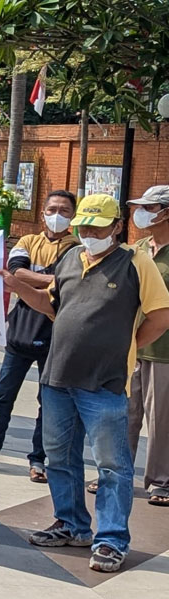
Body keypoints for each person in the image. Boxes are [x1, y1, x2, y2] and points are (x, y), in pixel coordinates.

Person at [3, 194, 169, 573]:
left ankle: (111, 540)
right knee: (59, 457)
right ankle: (72, 524)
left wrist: (123, 347)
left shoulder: (136, 262)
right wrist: (14, 284)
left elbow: (160, 317)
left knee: (112, 465)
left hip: (104, 384)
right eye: (84, 226)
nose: (89, 232)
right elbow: (52, 305)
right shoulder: (69, 259)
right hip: (57, 378)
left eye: (97, 226)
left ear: (115, 226)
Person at [0, 190, 78, 480]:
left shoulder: (77, 249)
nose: (57, 215)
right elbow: (15, 272)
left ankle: (39, 460)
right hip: (21, 331)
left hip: (56, 336)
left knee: (48, 402)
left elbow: (33, 279)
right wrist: (54, 279)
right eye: (52, 208)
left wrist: (30, 280)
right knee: (2, 398)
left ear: (73, 216)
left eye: (64, 210)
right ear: (42, 213)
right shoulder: (27, 242)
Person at [125, 185, 169, 505]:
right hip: (131, 347)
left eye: (148, 208)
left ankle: (161, 481)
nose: (141, 213)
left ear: (166, 212)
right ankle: (117, 473)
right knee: (124, 414)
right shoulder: (137, 248)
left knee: (161, 418)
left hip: (165, 350)